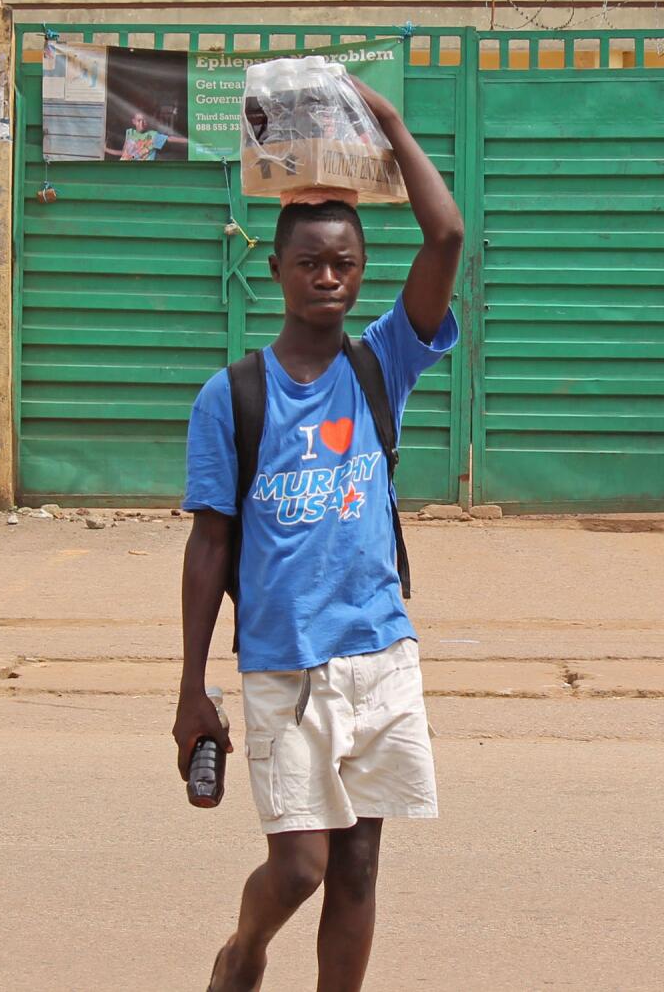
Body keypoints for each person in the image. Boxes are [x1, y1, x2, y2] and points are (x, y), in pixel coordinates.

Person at [174, 78, 464, 992]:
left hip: (379, 651)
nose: (328, 276)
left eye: (344, 262)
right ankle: (244, 948)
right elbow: (210, 546)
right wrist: (191, 686)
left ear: (360, 269)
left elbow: (447, 234)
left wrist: (391, 125)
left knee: (361, 864)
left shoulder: (384, 362)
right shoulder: (235, 396)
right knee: (299, 865)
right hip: (281, 661)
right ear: (278, 271)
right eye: (310, 263)